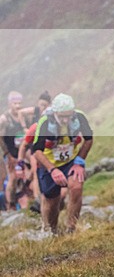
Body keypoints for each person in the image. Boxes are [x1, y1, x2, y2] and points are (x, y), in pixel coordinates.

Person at [31, 94, 93, 234]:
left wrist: (79, 162)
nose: (65, 120)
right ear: (55, 113)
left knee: (76, 186)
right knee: (52, 202)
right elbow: (37, 150)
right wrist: (53, 170)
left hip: (71, 161)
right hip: (48, 164)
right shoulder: (45, 121)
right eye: (62, 116)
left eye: (68, 116)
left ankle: (71, 228)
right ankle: (51, 231)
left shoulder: (79, 117)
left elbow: (88, 139)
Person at [0, 92, 31, 211]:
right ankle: (10, 204)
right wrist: (7, 154)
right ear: (9, 104)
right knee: (12, 177)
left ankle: (29, 196)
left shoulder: (24, 116)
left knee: (31, 172)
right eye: (15, 103)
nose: (17, 106)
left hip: (24, 150)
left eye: (19, 103)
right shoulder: (4, 119)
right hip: (11, 152)